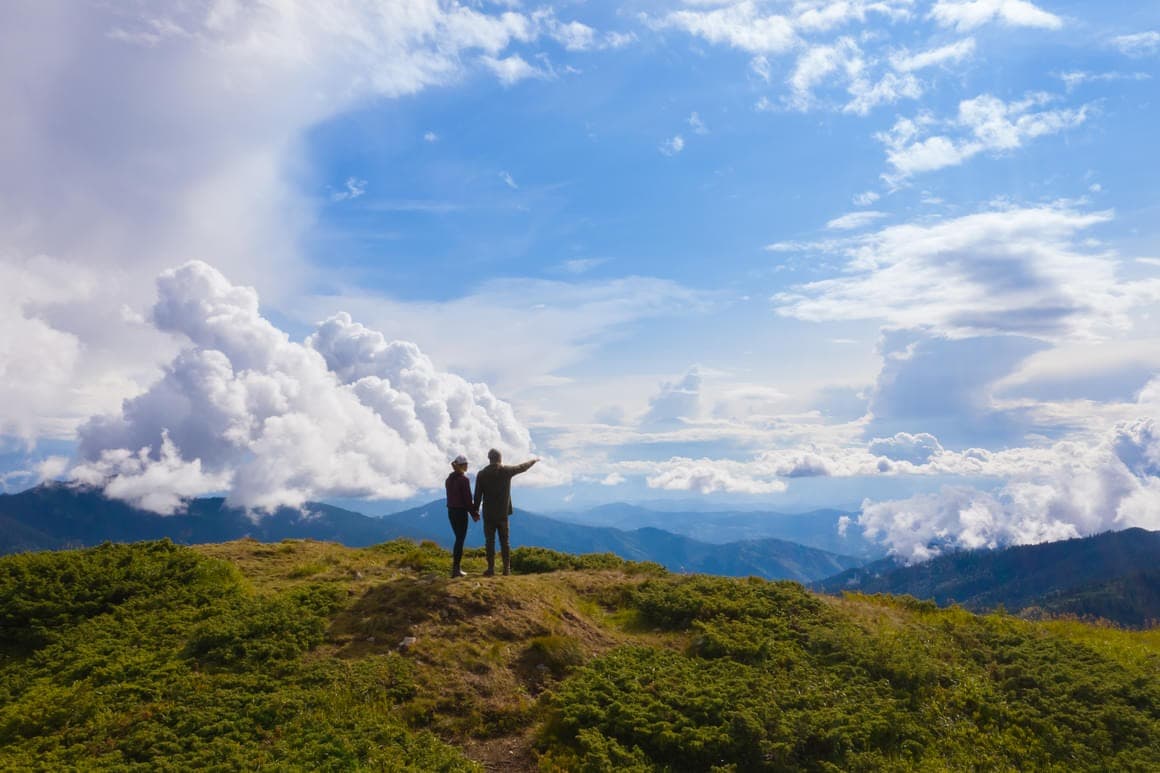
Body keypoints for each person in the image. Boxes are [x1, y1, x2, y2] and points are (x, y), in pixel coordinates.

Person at [472, 448, 538, 576]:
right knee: (505, 542)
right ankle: (506, 569)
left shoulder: (482, 474)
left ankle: (490, 569)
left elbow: (477, 496)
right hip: (503, 514)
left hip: (488, 514)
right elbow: (522, 467)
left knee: (489, 541)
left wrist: (475, 511)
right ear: (500, 458)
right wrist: (533, 460)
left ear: (489, 459)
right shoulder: (506, 471)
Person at [445, 454, 479, 578]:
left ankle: (456, 568)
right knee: (460, 539)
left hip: (451, 512)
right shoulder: (463, 480)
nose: (467, 466)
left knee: (458, 538)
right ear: (462, 465)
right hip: (460, 513)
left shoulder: (449, 479)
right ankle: (456, 569)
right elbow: (467, 500)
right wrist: (474, 514)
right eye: (466, 464)